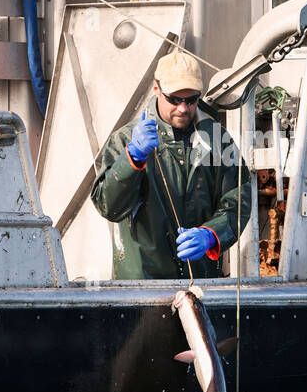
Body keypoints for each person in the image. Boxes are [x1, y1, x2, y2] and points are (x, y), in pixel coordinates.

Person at [91, 49, 252, 279]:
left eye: (192, 99)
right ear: (156, 88)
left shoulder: (219, 140)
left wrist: (210, 234)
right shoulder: (125, 139)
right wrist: (132, 159)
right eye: (174, 99)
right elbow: (108, 206)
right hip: (141, 287)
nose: (183, 108)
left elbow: (238, 199)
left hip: (202, 284)